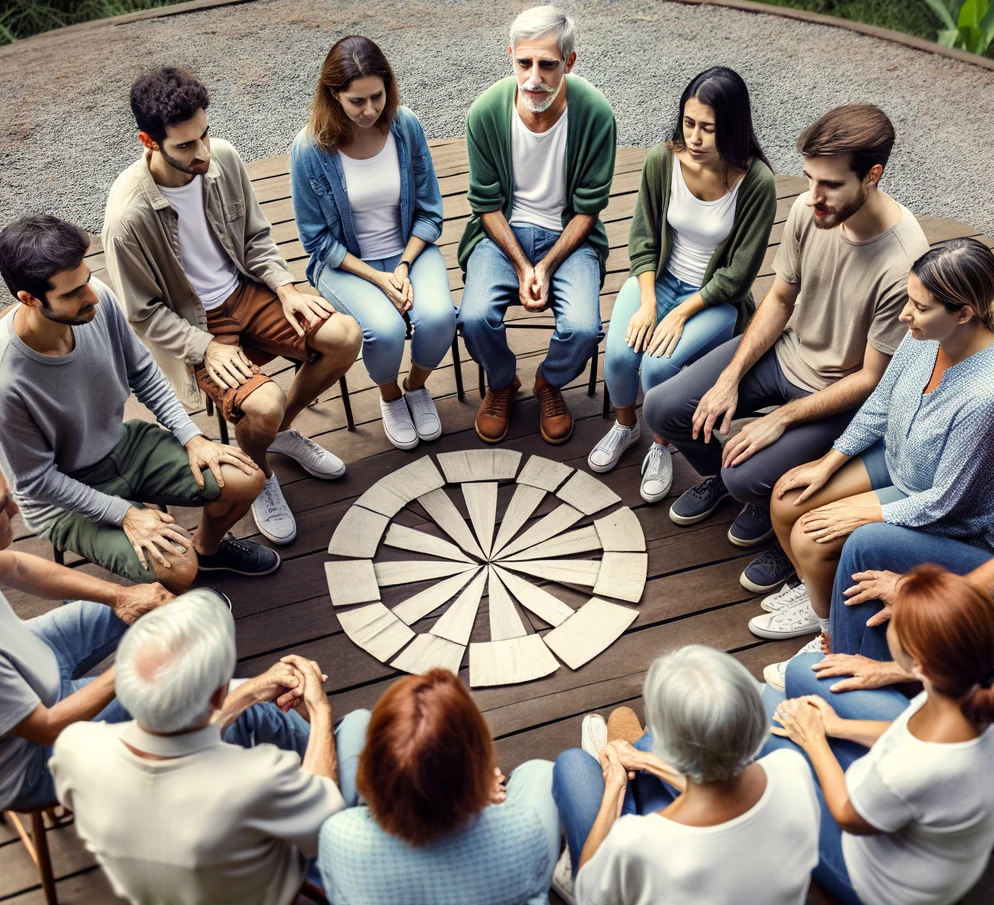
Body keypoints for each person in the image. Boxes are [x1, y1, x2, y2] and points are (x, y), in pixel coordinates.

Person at [644, 104, 929, 594]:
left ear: (873, 175)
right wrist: (729, 379)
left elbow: (870, 380)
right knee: (664, 408)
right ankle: (752, 490)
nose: (813, 198)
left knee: (743, 475)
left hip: (841, 390)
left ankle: (780, 524)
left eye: (831, 186)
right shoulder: (807, 211)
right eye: (809, 179)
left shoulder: (904, 260)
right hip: (787, 353)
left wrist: (780, 419)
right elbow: (780, 298)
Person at [103, 67, 362, 546]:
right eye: (184, 146)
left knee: (345, 336)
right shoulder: (127, 217)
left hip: (248, 291)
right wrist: (204, 347)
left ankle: (277, 434)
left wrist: (284, 286)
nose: (202, 153)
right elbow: (142, 313)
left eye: (204, 134)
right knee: (262, 405)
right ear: (148, 141)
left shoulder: (222, 158)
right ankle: (258, 472)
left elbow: (256, 238)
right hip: (196, 322)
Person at [749, 238, 994, 646]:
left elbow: (944, 501)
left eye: (921, 307)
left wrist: (863, 517)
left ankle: (827, 630)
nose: (905, 314)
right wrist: (828, 461)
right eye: (910, 299)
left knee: (810, 534)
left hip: (945, 513)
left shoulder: (988, 393)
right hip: (899, 460)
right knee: (788, 499)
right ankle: (819, 591)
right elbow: (880, 405)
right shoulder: (923, 335)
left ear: (964, 313)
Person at [48, 590, 355, 905]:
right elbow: (326, 812)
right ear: (214, 695)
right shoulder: (256, 779)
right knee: (357, 727)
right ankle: (348, 886)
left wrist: (253, 691)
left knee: (258, 713)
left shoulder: (75, 746)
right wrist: (319, 709)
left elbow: (174, 742)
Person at [0, 214, 279, 591]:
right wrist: (127, 513)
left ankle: (209, 552)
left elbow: (143, 373)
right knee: (179, 568)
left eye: (86, 279)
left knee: (247, 479)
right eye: (72, 293)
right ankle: (180, 594)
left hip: (123, 445)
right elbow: (37, 481)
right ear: (29, 300)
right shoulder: (7, 380)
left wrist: (192, 437)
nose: (92, 296)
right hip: (62, 495)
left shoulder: (96, 301)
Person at [551, 646, 819, 905]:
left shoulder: (640, 841)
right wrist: (645, 760)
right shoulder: (792, 769)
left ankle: (577, 854)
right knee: (640, 750)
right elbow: (718, 787)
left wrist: (613, 787)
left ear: (673, 750)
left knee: (572, 766)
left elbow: (590, 900)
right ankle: (641, 754)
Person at [765, 567, 994, 905]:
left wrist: (814, 741)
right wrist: (839, 726)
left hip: (885, 883)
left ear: (918, 664)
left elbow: (847, 816)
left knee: (768, 731)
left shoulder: (912, 767)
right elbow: (907, 733)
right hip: (947, 841)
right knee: (804, 670)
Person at [318, 669, 559, 905]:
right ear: (475, 763)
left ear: (375, 767)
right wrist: (483, 805)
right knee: (540, 772)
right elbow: (535, 891)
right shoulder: (521, 831)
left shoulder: (341, 835)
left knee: (355, 722)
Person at [588, 67, 776, 504]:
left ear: (731, 127)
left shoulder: (755, 183)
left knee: (656, 368)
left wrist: (681, 311)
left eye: (708, 128)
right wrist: (649, 302)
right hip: (657, 280)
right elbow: (643, 238)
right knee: (619, 356)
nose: (694, 137)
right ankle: (624, 426)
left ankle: (662, 445)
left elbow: (739, 275)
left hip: (715, 299)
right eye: (689, 123)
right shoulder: (663, 160)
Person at [765, 400, 994, 697]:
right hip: (992, 628)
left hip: (986, 699)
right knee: (866, 544)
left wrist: (887, 671)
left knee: (803, 677)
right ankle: (841, 664)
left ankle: (846, 694)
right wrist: (916, 591)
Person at [457, 5, 616, 445]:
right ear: (511, 54)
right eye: (523, 62)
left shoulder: (595, 114)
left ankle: (549, 381)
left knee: (584, 328)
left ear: (569, 62)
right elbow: (486, 205)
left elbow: (588, 209)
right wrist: (523, 264)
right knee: (473, 318)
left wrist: (543, 267)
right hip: (501, 232)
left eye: (547, 65)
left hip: (570, 237)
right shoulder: (487, 112)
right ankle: (503, 382)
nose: (533, 78)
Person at [291, 36, 456, 452]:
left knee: (438, 318)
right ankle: (390, 397)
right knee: (383, 330)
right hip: (347, 262)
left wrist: (401, 268)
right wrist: (379, 279)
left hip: (408, 251)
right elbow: (316, 240)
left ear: (388, 86)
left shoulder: (406, 127)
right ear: (334, 96)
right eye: (356, 101)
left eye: (377, 97)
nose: (369, 111)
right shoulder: (309, 150)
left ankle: (415, 387)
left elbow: (430, 212)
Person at [0, 470, 172, 812]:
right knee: (179, 688)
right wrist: (134, 664)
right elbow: (48, 728)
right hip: (34, 758)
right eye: (3, 504)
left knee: (153, 609)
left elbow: (16, 566)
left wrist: (120, 595)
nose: (16, 510)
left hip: (32, 654)